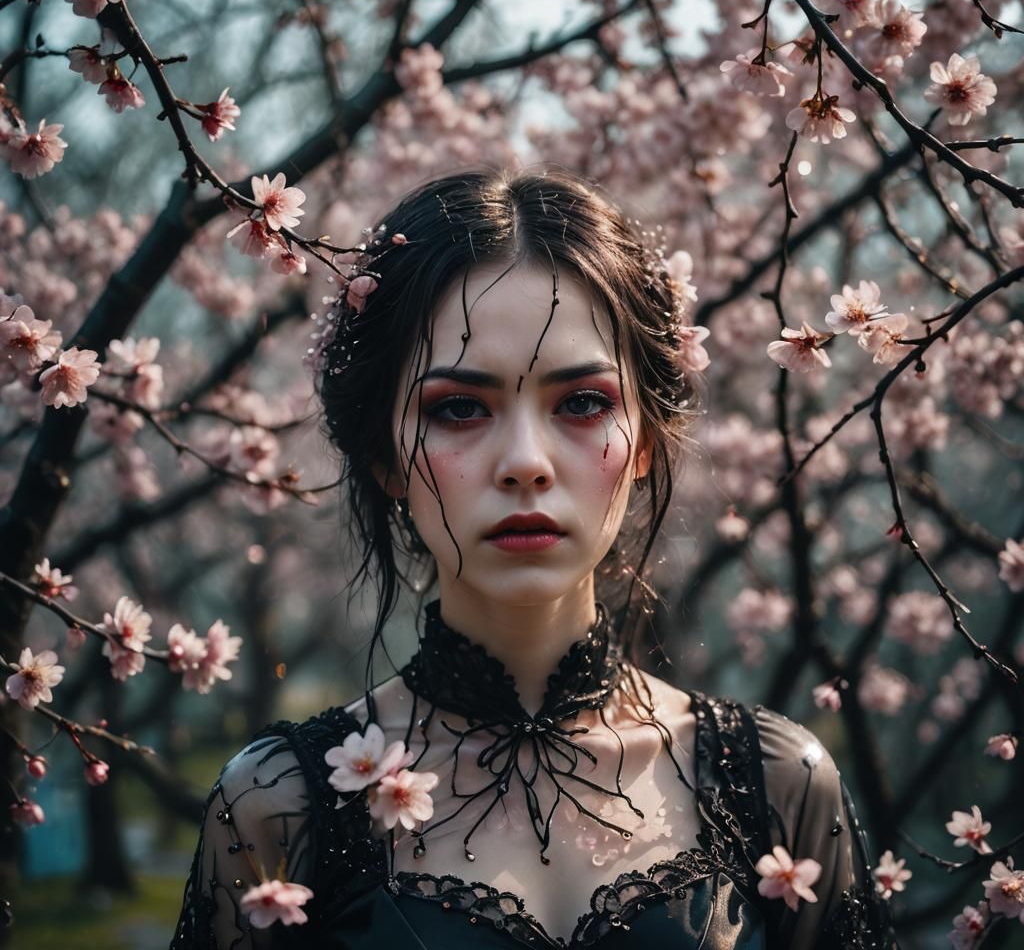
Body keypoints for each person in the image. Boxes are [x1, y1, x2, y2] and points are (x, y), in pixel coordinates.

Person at [170, 168, 898, 949]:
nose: (525, 462)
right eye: (457, 407)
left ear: (647, 438)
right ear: (382, 454)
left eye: (583, 402)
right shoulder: (280, 806)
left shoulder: (778, 785)